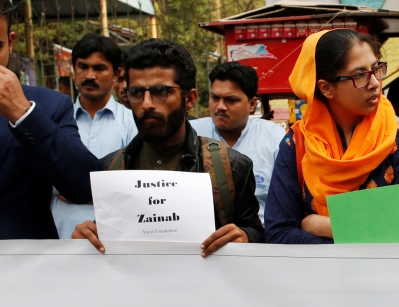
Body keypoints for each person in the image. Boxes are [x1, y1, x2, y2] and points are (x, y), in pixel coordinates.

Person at [72, 39, 263, 256]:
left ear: (189, 98)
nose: (146, 104)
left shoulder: (230, 166)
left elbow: (258, 234)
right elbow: (107, 238)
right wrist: (87, 238)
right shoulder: (111, 168)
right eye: (136, 92)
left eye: (160, 91)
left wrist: (246, 237)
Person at [265, 29, 399, 244]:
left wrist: (321, 225)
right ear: (326, 88)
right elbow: (279, 234)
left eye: (376, 68)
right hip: (319, 276)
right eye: (359, 75)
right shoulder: (297, 144)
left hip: (385, 275)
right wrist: (364, 233)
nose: (375, 83)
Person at [0, 0, 101, 239]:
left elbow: (83, 186)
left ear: (10, 43)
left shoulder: (47, 106)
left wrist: (24, 115)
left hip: (26, 266)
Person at [50, 33, 137, 239]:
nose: (89, 75)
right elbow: (45, 180)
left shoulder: (132, 123)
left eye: (99, 68)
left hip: (113, 237)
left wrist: (70, 190)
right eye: (83, 66)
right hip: (58, 236)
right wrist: (103, 191)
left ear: (116, 74)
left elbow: (132, 185)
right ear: (74, 69)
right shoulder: (53, 120)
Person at [191, 61, 286, 225]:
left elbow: (286, 200)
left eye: (230, 100)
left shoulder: (274, 138)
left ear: (251, 104)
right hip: (203, 237)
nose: (220, 106)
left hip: (260, 238)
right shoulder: (192, 133)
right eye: (215, 98)